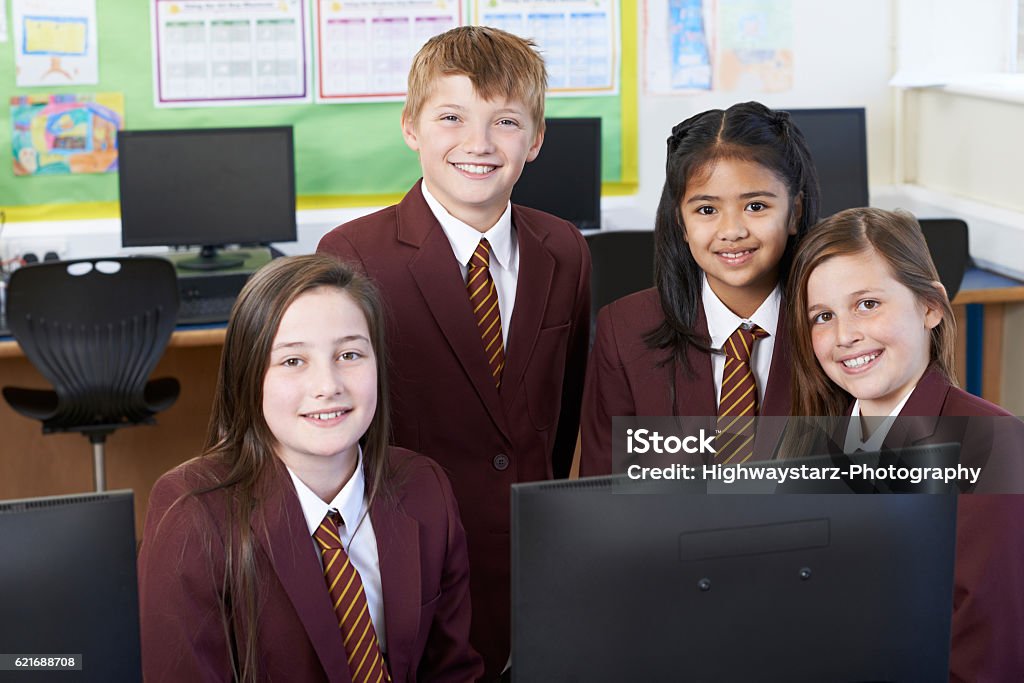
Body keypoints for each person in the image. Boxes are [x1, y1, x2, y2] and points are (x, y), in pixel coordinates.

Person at [317, 26, 590, 677]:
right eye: (451, 117)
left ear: (537, 139)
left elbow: (565, 407)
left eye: (505, 121)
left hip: (532, 561)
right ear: (411, 126)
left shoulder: (566, 250)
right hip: (409, 561)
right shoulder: (354, 254)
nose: (479, 143)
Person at [137, 255, 483, 682]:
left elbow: (453, 671)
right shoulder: (192, 512)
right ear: (249, 375)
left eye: (350, 354)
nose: (328, 386)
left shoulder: (424, 488)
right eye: (293, 361)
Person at [786, 207, 1024, 681]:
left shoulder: (993, 447)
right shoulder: (815, 442)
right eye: (823, 316)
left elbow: (987, 656)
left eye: (868, 304)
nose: (845, 335)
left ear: (931, 306)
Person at [579, 101, 820, 475]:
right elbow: (605, 492)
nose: (732, 231)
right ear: (681, 221)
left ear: (795, 213)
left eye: (756, 206)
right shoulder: (624, 331)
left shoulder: (835, 327)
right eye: (707, 210)